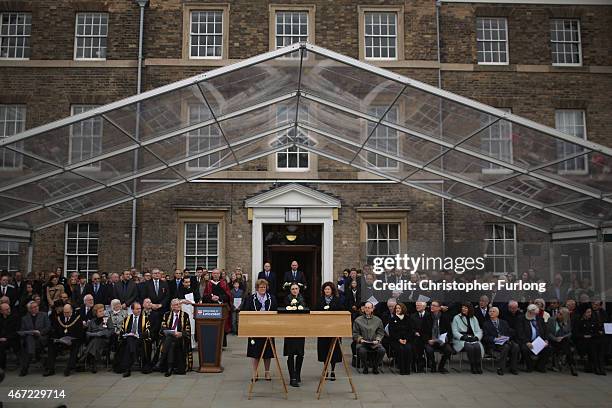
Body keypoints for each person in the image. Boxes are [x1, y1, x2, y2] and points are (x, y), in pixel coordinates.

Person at [242, 279, 277, 381]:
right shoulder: (250, 298)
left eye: (264, 287)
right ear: (257, 288)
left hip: (268, 328)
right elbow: (245, 312)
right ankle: (255, 372)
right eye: (261, 287)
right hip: (254, 328)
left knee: (268, 352)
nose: (263, 289)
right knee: (255, 351)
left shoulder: (272, 298)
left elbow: (275, 312)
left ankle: (267, 372)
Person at [155, 298, 192, 376]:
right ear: (172, 306)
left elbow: (188, 329)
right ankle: (170, 367)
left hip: (180, 338)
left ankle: (162, 361)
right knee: (171, 342)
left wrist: (181, 333)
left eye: (179, 304)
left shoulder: (185, 315)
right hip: (170, 337)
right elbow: (163, 328)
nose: (178, 306)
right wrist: (171, 332)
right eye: (176, 304)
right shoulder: (167, 314)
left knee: (170, 340)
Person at [45, 303, 83, 377]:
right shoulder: (60, 318)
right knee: (51, 345)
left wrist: (71, 339)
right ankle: (50, 369)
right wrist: (57, 339)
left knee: (75, 347)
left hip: (73, 342)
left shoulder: (77, 319)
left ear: (71, 311)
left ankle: (69, 368)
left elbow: (80, 333)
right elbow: (56, 331)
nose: (66, 314)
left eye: (68, 312)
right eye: (65, 312)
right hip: (61, 341)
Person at [316, 282, 344, 381]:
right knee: (324, 350)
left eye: (328, 289)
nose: (327, 291)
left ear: (332, 290)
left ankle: (332, 370)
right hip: (323, 329)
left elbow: (341, 312)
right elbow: (315, 312)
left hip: (334, 328)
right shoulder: (320, 300)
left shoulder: (337, 300)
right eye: (325, 289)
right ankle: (325, 370)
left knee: (334, 350)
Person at [116, 302, 152, 377]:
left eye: (140, 309)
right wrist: (126, 335)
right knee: (130, 339)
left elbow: (148, 331)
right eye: (137, 309)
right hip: (128, 339)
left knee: (130, 342)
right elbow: (122, 330)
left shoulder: (145, 319)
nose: (139, 310)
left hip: (140, 339)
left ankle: (127, 368)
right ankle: (133, 354)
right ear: (132, 310)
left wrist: (138, 335)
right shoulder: (127, 319)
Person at [482, 306, 519, 375]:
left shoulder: (504, 322)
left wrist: (506, 337)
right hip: (495, 343)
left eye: (493, 311)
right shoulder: (486, 324)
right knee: (506, 347)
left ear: (497, 313)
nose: (491, 313)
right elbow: (485, 337)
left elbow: (510, 332)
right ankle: (501, 368)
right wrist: (495, 339)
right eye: (490, 311)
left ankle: (513, 368)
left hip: (506, 341)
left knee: (516, 346)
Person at [18, 301, 50, 376]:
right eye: (34, 307)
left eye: (37, 306)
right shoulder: (24, 318)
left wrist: (40, 332)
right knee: (30, 338)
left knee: (31, 345)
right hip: (30, 338)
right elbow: (22, 330)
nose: (36, 308)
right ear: (29, 309)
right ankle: (35, 356)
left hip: (41, 337)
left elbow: (48, 327)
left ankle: (25, 368)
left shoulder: (44, 315)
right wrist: (30, 332)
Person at [516, 304, 551, 373]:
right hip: (526, 340)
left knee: (548, 348)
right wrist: (527, 342)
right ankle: (529, 366)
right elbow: (520, 333)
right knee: (525, 349)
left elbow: (546, 331)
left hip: (539, 340)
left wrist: (546, 340)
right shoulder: (521, 319)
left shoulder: (540, 319)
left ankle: (540, 366)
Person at [353, 301, 385, 374]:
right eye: (366, 308)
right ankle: (365, 367)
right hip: (363, 343)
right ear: (363, 309)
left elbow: (380, 332)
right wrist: (360, 339)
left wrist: (378, 339)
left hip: (374, 343)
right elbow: (355, 333)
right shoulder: (358, 320)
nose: (367, 309)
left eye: (369, 308)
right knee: (362, 351)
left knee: (382, 350)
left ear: (372, 309)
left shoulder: (378, 320)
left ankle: (375, 366)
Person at [283, 283, 306, 387]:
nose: (295, 290)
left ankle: (298, 374)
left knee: (300, 354)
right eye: (293, 289)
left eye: (296, 288)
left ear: (299, 289)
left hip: (301, 327)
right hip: (289, 328)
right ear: (290, 290)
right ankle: (292, 376)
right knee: (291, 353)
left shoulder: (302, 299)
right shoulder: (287, 299)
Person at [451, 302, 484, 374]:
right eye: (463, 307)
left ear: (469, 309)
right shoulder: (456, 317)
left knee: (477, 346)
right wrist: (463, 337)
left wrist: (476, 338)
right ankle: (473, 366)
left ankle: (478, 365)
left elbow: (478, 330)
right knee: (469, 347)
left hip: (473, 338)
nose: (463, 309)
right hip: (461, 339)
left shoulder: (474, 318)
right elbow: (454, 331)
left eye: (465, 308)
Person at [574, 308, 606, 375]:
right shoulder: (579, 321)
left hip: (592, 339)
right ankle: (596, 367)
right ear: (584, 313)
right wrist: (584, 336)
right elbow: (576, 333)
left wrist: (593, 335)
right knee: (593, 346)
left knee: (599, 344)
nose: (589, 314)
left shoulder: (593, 321)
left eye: (590, 312)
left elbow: (596, 331)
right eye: (588, 312)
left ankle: (600, 367)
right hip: (582, 341)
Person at [424, 300, 453, 374]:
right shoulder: (427, 317)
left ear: (439, 308)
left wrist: (445, 339)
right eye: (431, 305)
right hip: (431, 341)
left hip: (441, 341)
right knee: (429, 350)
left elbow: (449, 332)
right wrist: (428, 340)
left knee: (448, 350)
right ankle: (433, 365)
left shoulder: (445, 318)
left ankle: (441, 366)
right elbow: (423, 332)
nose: (432, 307)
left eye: (434, 305)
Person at [546, 306, 577, 376]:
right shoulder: (551, 320)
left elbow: (569, 333)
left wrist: (562, 337)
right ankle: (572, 365)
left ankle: (572, 365)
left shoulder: (567, 321)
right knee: (567, 347)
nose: (558, 314)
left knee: (565, 343)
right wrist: (555, 338)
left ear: (565, 316)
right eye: (558, 313)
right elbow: (548, 333)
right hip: (553, 340)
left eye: (560, 314)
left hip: (563, 340)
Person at [84, 304, 114, 373]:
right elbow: (88, 333)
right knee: (96, 339)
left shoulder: (107, 319)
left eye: (103, 311)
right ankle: (93, 362)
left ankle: (88, 356)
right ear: (96, 312)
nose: (102, 312)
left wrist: (103, 333)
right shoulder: (92, 321)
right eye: (100, 311)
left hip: (104, 340)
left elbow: (112, 330)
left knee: (97, 339)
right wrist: (96, 334)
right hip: (94, 340)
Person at [389, 302, 413, 375]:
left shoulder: (408, 318)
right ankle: (402, 369)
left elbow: (410, 331)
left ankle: (407, 369)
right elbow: (392, 332)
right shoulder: (392, 319)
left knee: (408, 348)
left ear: (403, 309)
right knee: (401, 349)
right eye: (396, 308)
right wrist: (399, 339)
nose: (397, 309)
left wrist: (406, 339)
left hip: (406, 340)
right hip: (396, 340)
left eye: (399, 308)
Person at [410, 301, 428, 372]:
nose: (417, 307)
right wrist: (415, 332)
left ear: (424, 307)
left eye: (419, 305)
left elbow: (430, 327)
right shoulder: (412, 316)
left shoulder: (429, 315)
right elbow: (411, 328)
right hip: (416, 337)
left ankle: (421, 364)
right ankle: (416, 364)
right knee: (416, 343)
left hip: (426, 337)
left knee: (420, 343)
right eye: (416, 305)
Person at [0, 303, 19, 371]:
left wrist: (6, 338)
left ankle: (2, 367)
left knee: (1, 346)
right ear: (1, 311)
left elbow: (16, 332)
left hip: (12, 339)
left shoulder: (15, 317)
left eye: (9, 309)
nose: (9, 311)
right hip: (1, 339)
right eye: (6, 309)